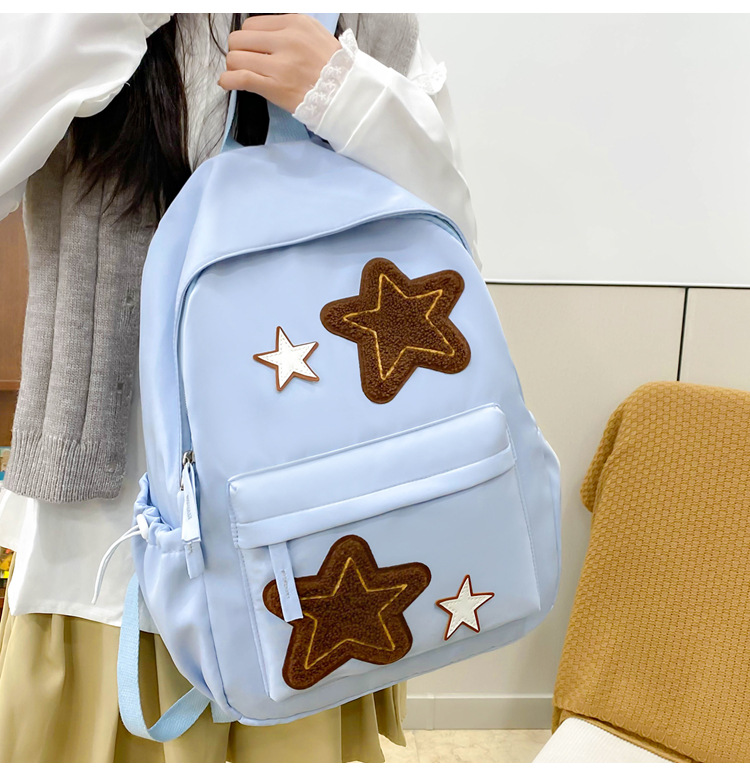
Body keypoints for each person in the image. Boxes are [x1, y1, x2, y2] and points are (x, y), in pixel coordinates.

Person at [0, 12, 480, 763]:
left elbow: (451, 250)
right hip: (105, 555)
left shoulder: (367, 20)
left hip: (314, 548)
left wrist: (344, 91)